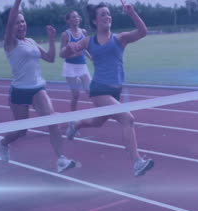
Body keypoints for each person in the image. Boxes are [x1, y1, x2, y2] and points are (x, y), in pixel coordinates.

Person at [61, 2, 154, 177]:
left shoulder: (120, 38)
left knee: (97, 122)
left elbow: (143, 32)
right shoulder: (89, 41)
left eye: (108, 14)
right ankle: (137, 162)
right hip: (98, 89)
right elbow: (63, 54)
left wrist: (132, 13)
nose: (107, 17)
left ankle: (78, 123)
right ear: (95, 21)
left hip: (115, 91)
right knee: (127, 119)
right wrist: (69, 49)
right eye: (103, 14)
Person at [0, 0, 76, 173]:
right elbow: (10, 21)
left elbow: (50, 58)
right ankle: (3, 142)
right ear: (10, 26)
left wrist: (52, 39)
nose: (21, 25)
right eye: (17, 22)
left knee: (52, 122)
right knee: (21, 131)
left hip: (37, 88)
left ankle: (61, 159)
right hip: (19, 92)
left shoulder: (31, 41)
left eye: (23, 21)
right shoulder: (10, 43)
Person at [60, 10, 92, 112]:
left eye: (77, 16)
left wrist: (91, 57)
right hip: (70, 67)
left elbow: (85, 48)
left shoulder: (83, 32)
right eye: (73, 17)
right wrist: (73, 54)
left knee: (90, 90)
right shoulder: (65, 34)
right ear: (68, 21)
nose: (76, 18)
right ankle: (72, 120)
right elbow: (61, 53)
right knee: (75, 95)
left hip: (82, 65)